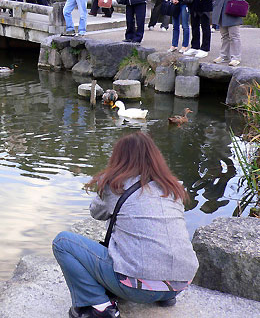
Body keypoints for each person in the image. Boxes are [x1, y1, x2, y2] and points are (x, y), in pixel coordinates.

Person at [53, 131, 199, 318]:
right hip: (179, 284)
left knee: (63, 242)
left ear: (119, 158)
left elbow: (96, 212)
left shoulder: (117, 186)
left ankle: (99, 306)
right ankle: (162, 294)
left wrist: (107, 181)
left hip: (136, 286)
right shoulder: (173, 187)